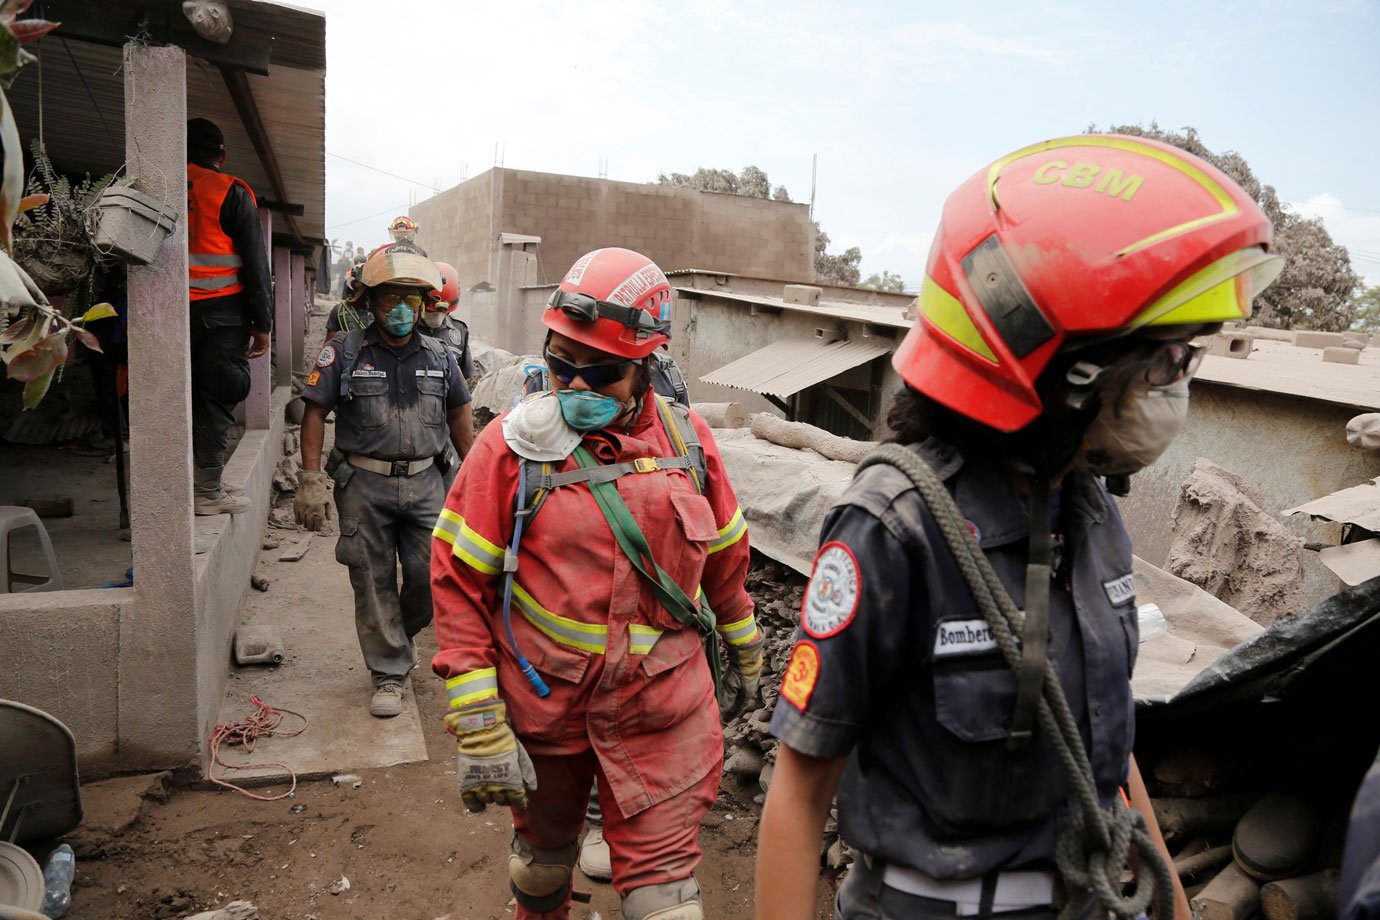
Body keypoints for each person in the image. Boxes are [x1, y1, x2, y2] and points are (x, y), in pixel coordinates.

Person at [755, 134, 1285, 920]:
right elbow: (799, 796)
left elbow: (1096, 748)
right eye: (1167, 361)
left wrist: (1168, 901)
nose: (1180, 383)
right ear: (1062, 371)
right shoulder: (895, 529)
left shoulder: (1093, 512)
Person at [430, 247, 761, 920]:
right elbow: (459, 580)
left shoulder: (690, 445)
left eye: (602, 372)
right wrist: (477, 715)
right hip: (547, 710)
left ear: (647, 367)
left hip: (661, 711)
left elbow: (726, 554)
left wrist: (744, 637)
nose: (576, 386)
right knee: (541, 867)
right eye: (561, 365)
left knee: (665, 901)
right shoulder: (509, 449)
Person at [295, 241, 476, 718]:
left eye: (409, 299)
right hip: (364, 487)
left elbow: (460, 416)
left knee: (431, 577)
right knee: (372, 580)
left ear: (423, 305)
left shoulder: (440, 355)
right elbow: (315, 414)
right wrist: (310, 479)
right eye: (389, 298)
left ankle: (398, 634)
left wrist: (475, 477)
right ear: (369, 302)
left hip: (427, 485)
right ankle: (389, 672)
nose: (400, 309)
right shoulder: (345, 352)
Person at [185, 117, 273, 515]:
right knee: (217, 397)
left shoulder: (158, 187)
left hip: (166, 315)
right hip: (222, 314)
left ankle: (172, 488)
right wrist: (263, 325)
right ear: (221, 154)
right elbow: (257, 264)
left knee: (173, 397)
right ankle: (207, 491)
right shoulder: (229, 191)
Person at [418, 260, 475, 381]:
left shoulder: (459, 330)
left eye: (441, 313)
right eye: (431, 312)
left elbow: (468, 378)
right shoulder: (408, 328)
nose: (436, 317)